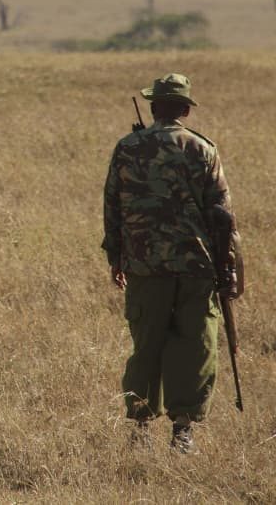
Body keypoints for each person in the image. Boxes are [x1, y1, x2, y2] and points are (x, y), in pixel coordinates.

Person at [103, 73, 242, 454]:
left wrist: (116, 256)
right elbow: (223, 217)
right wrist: (228, 267)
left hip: (144, 266)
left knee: (146, 344)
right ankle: (183, 431)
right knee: (196, 345)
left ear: (152, 107)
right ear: (184, 109)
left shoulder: (127, 147)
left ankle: (140, 428)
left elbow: (112, 206)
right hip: (196, 265)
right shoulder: (202, 149)